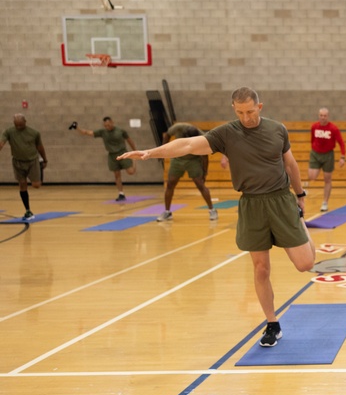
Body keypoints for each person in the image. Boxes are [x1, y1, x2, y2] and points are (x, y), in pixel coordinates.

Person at [118, 87, 315, 347]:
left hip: (280, 199)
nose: (246, 117)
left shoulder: (277, 129)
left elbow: (290, 164)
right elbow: (187, 144)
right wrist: (150, 152)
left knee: (305, 264)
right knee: (260, 268)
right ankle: (272, 323)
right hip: (251, 204)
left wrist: (299, 194)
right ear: (234, 109)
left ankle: (300, 222)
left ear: (260, 107)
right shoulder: (226, 133)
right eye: (240, 112)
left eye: (251, 111)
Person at [156, 122, 218, 222]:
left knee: (200, 184)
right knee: (170, 184)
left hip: (193, 160)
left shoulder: (202, 137)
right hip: (178, 159)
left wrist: (204, 172)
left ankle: (212, 210)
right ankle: (167, 212)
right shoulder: (178, 127)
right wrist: (163, 149)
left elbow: (205, 156)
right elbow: (167, 134)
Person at [75, 116, 137, 201]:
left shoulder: (121, 131)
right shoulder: (102, 132)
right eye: (105, 126)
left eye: (108, 125)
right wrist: (77, 128)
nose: (107, 127)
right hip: (112, 155)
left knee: (131, 172)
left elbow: (129, 140)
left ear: (112, 122)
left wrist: (135, 151)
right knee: (117, 175)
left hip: (122, 153)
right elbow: (87, 132)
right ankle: (121, 193)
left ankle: (134, 160)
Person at [0, 114, 47, 220]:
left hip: (32, 161)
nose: (19, 128)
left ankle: (39, 168)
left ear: (25, 122)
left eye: (21, 125)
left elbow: (40, 147)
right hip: (18, 162)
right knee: (22, 184)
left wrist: (45, 159)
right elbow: (2, 142)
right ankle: (28, 210)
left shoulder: (34, 133)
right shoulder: (9, 132)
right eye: (17, 126)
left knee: (36, 185)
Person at [307, 108, 346, 212]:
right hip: (315, 153)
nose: (323, 117)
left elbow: (341, 142)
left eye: (325, 115)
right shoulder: (314, 127)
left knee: (327, 179)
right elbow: (312, 139)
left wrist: (342, 157)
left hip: (328, 154)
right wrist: (314, 150)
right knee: (312, 176)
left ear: (327, 116)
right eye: (321, 115)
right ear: (318, 116)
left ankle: (325, 202)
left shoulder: (333, 128)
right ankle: (318, 167)